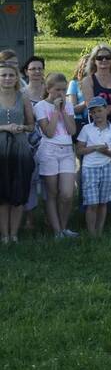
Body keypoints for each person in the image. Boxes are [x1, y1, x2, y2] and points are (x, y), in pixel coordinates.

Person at [35, 73, 78, 238]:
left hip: (67, 150)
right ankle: (57, 230)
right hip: (49, 151)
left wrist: (63, 111)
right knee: (52, 193)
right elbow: (49, 132)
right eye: (57, 89)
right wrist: (54, 111)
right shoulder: (40, 106)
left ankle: (64, 226)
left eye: (64, 89)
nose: (61, 93)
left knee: (67, 193)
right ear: (48, 89)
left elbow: (72, 131)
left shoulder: (67, 105)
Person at [76, 97, 111, 237]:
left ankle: (99, 231)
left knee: (103, 202)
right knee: (92, 203)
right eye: (94, 112)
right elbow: (79, 150)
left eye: (100, 111)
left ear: (107, 110)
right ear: (90, 114)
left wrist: (106, 152)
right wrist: (95, 148)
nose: (97, 114)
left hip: (107, 167)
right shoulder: (86, 129)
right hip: (90, 168)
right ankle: (91, 233)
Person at [0, 61, 36, 243]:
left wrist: (21, 127)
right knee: (2, 193)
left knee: (18, 190)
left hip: (20, 148)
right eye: (3, 75)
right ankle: (4, 235)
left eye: (11, 75)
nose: (7, 78)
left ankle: (14, 234)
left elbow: (31, 125)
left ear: (17, 78)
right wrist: (5, 127)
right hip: (0, 150)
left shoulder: (23, 97)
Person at [80, 43, 111, 126]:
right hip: (94, 126)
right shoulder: (88, 81)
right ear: (94, 61)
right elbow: (91, 106)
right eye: (100, 58)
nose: (104, 60)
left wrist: (101, 110)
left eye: (108, 57)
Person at [67, 53, 91, 133]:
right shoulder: (74, 83)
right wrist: (86, 102)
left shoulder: (100, 82)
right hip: (81, 122)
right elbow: (72, 109)